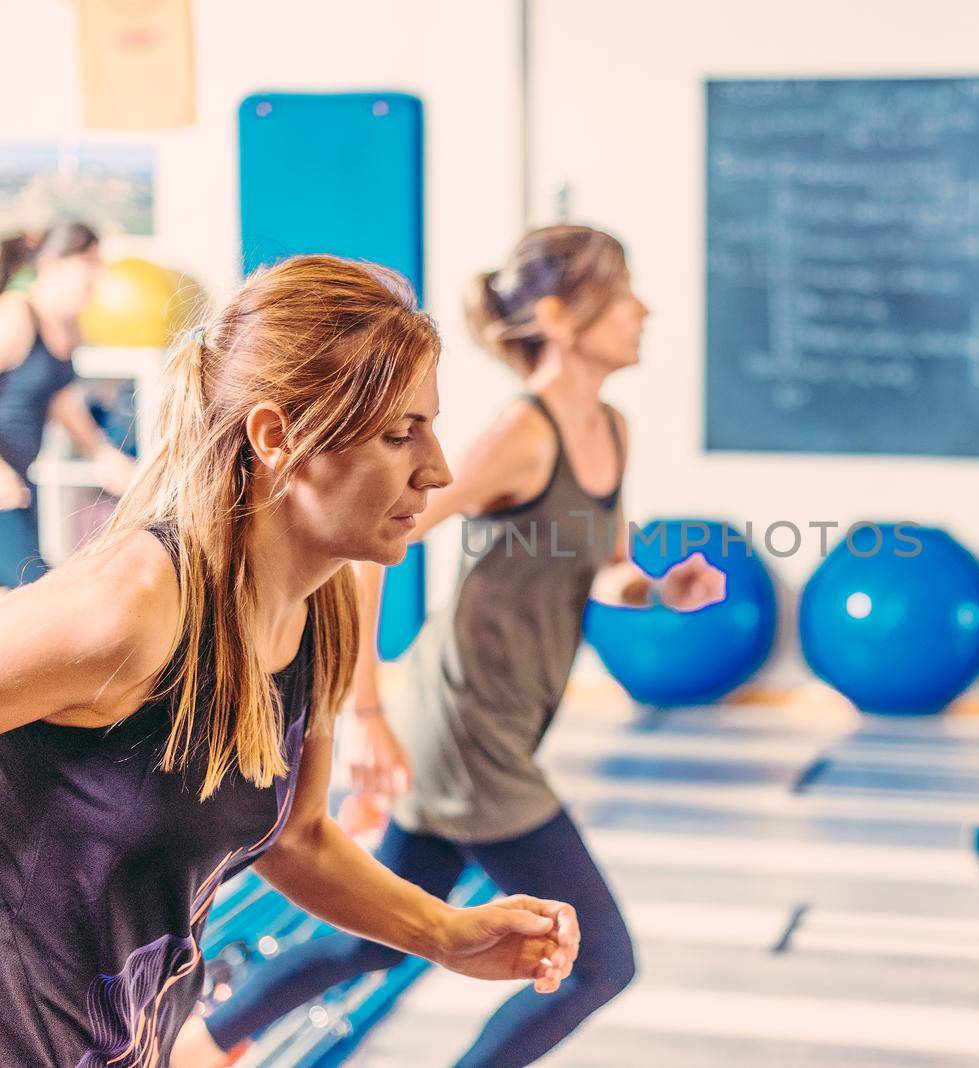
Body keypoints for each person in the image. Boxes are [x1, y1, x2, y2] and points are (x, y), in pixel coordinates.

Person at [0, 255, 579, 1067]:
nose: (439, 470)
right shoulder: (129, 610)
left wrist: (446, 933)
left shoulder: (328, 604)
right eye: (400, 434)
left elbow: (298, 838)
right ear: (278, 437)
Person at [182, 225, 725, 1068]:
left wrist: (658, 590)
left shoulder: (611, 430)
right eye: (624, 293)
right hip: (466, 731)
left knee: (380, 940)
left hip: (501, 724)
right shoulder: (522, 434)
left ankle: (195, 1044)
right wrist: (363, 709)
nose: (643, 310)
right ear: (561, 315)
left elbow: (606, 569)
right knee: (600, 960)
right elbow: (375, 540)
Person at [0, 222, 138, 591]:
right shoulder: (14, 316)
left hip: (19, 475)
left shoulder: (67, 327)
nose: (99, 275)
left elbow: (62, 399)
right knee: (36, 589)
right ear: (53, 264)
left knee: (1, 594)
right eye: (90, 262)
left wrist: (102, 453)